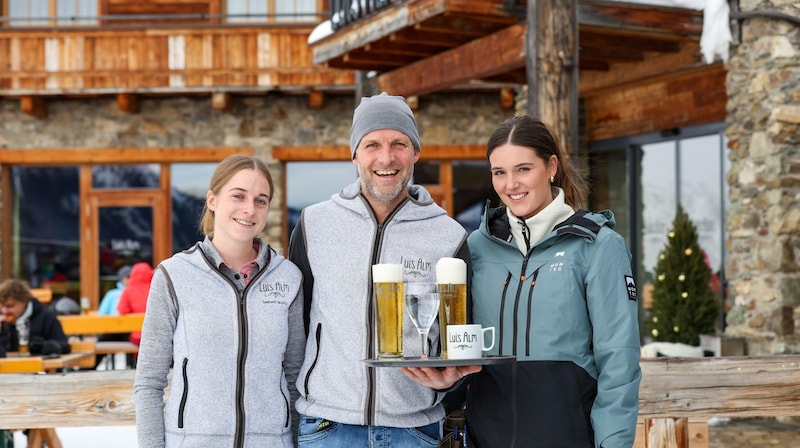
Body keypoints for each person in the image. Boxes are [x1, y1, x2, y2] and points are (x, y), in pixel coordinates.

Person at [404, 115, 642, 447]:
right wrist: (446, 381)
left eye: (523, 169)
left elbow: (619, 361)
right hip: (485, 438)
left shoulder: (598, 247)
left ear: (551, 166)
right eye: (499, 172)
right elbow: (461, 349)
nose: (510, 184)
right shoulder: (477, 247)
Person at [288, 92, 474, 448]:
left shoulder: (447, 236)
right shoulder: (314, 224)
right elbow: (296, 326)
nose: (386, 158)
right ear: (354, 153)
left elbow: (459, 337)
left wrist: (448, 381)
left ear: (416, 152)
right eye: (372, 144)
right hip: (327, 426)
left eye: (399, 144)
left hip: (414, 430)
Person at [133, 154, 305, 448]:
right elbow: (149, 381)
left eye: (261, 200)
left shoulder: (288, 278)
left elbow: (295, 377)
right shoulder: (174, 275)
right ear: (212, 200)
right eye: (238, 196)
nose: (249, 209)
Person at [0, 278, 70, 358]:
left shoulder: (46, 317)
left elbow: (63, 344)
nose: (5, 311)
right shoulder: (2, 320)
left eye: (10, 306)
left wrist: (46, 346)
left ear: (24, 301)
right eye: (2, 306)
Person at [116, 262, 153, 347]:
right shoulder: (156, 289)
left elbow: (122, 311)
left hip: (137, 337)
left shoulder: (128, 291)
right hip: (156, 335)